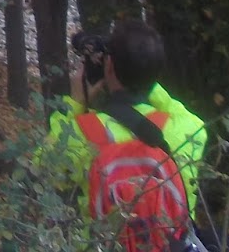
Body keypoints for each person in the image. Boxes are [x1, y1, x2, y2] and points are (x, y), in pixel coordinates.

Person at [35, 19, 208, 227]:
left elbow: (42, 168)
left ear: (109, 66)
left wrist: (75, 101)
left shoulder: (84, 132)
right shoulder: (188, 129)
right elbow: (175, 108)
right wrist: (143, 71)